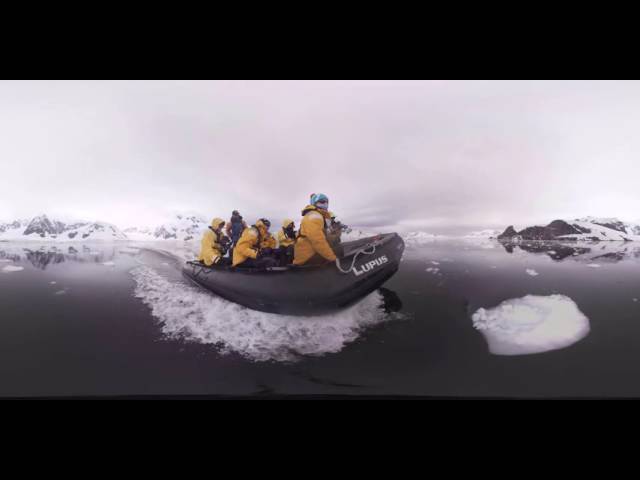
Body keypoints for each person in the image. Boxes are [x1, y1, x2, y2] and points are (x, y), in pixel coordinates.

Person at [293, 193, 338, 266]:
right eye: (322, 202)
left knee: (336, 248)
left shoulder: (318, 216)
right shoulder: (314, 216)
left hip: (313, 253)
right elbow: (318, 241)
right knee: (338, 251)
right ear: (314, 203)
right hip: (307, 258)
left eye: (326, 202)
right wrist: (332, 258)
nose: (325, 204)